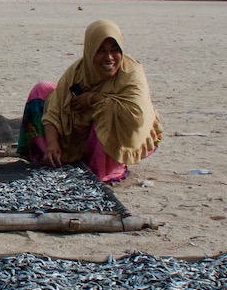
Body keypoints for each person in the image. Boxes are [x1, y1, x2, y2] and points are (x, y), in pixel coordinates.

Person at [17, 19, 162, 183]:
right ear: (90, 51)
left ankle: (105, 167)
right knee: (43, 89)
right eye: (101, 51)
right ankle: (46, 155)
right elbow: (55, 109)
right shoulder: (78, 71)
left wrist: (92, 99)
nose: (109, 58)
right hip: (78, 137)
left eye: (115, 50)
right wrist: (52, 144)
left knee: (107, 111)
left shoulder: (131, 73)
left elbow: (135, 114)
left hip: (120, 139)